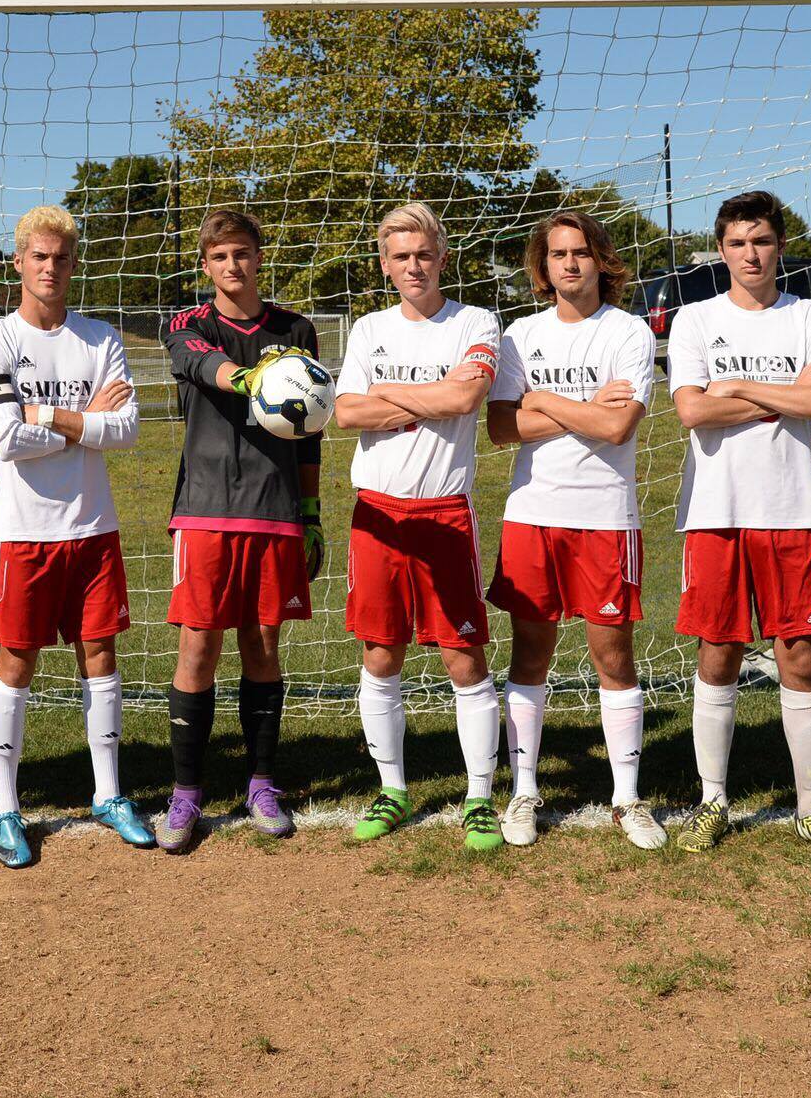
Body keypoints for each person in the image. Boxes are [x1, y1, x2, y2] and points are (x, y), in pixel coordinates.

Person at [666, 190, 811, 861]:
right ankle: (712, 801)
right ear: (721, 250)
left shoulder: (809, 316)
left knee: (799, 653)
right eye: (738, 242)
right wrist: (784, 396)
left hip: (790, 510)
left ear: (779, 247)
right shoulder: (694, 320)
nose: (751, 253)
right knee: (718, 651)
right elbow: (691, 411)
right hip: (715, 513)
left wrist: (737, 390)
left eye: (762, 241)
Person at [0, 205, 152, 868]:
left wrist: (41, 412)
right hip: (23, 534)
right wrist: (78, 420)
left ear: (75, 264)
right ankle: (7, 807)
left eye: (62, 257)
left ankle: (108, 793)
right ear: (19, 261)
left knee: (99, 655)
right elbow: (3, 438)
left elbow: (127, 429)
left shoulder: (100, 338)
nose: (51, 267)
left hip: (93, 528)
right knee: (16, 662)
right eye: (39, 256)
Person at [331, 203, 506, 853]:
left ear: (442, 256)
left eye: (423, 254)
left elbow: (465, 400)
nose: (413, 266)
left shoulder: (476, 321)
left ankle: (481, 796)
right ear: (385, 263)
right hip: (376, 514)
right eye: (400, 256)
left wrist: (392, 397)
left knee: (463, 657)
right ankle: (394, 787)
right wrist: (429, 392)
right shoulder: (368, 327)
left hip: (443, 514)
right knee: (381, 653)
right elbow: (346, 412)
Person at [486, 211, 662, 849]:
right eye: (557, 254)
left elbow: (618, 429)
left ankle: (627, 799)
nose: (569, 264)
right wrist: (582, 410)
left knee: (612, 656)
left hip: (605, 519)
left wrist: (543, 401)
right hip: (532, 514)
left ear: (602, 261)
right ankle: (525, 791)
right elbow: (501, 429)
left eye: (581, 252)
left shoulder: (629, 333)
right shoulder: (520, 335)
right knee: (530, 654)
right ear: (543, 267)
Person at [155, 209, 324, 851]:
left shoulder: (295, 330)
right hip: (203, 511)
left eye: (244, 254)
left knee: (262, 644)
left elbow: (309, 435)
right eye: (221, 256)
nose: (233, 265)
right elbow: (200, 365)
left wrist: (309, 513)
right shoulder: (188, 324)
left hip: (275, 510)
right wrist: (252, 378)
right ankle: (186, 793)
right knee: (198, 646)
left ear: (259, 258)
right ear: (207, 264)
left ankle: (260, 782)